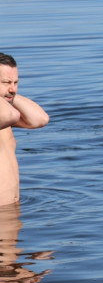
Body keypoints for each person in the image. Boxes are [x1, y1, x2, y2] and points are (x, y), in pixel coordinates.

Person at [0, 53, 50, 206]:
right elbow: (11, 115)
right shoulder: (7, 115)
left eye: (16, 82)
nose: (13, 89)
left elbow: (39, 119)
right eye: (6, 82)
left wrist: (8, 94)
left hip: (12, 210)